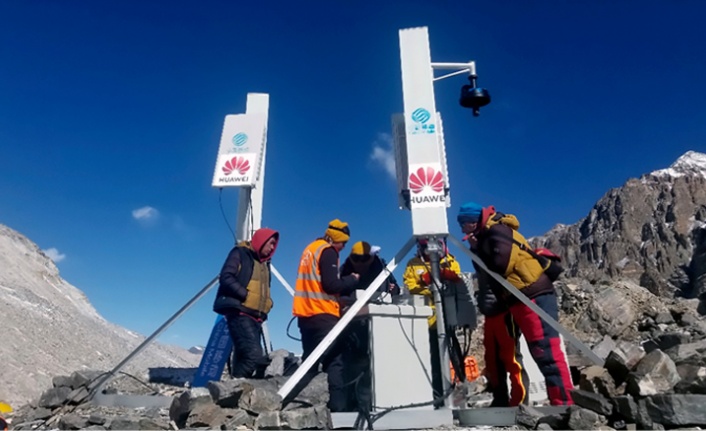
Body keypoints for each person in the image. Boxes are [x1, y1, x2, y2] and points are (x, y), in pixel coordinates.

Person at [457, 201, 574, 406]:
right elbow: (486, 269)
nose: (460, 227)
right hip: (519, 298)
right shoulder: (488, 236)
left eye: (462, 222)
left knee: (545, 348)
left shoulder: (498, 231)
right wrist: (476, 248)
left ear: (473, 221)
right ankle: (560, 402)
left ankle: (565, 403)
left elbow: (501, 264)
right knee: (538, 350)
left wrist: (479, 249)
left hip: (532, 295)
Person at [291, 219, 360, 412]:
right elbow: (331, 285)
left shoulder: (311, 249)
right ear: (336, 239)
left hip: (306, 315)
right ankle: (338, 413)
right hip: (323, 315)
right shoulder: (328, 251)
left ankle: (300, 409)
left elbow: (316, 285)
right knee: (335, 363)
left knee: (310, 364)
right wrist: (351, 280)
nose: (344, 247)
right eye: (343, 242)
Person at [339, 241, 399, 412]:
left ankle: (378, 402)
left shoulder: (382, 268)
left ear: (371, 260)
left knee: (377, 363)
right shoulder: (345, 269)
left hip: (380, 324)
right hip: (353, 326)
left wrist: (394, 291)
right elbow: (339, 293)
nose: (360, 267)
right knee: (355, 364)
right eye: (356, 263)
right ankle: (356, 404)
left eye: (363, 264)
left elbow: (395, 290)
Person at [402, 239, 462, 407]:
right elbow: (410, 286)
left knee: (453, 358)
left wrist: (441, 280)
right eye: (424, 246)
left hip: (447, 319)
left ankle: (457, 394)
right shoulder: (413, 264)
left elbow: (456, 282)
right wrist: (429, 286)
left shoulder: (450, 262)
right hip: (425, 323)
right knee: (432, 361)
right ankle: (437, 398)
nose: (428, 250)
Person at [213, 227, 279, 378]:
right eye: (270, 243)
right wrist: (245, 295)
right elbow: (226, 277)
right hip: (240, 312)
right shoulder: (240, 253)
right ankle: (234, 387)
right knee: (254, 356)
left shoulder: (264, 264)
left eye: (274, 245)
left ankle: (236, 393)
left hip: (256, 316)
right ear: (261, 241)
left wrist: (268, 303)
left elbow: (265, 288)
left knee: (244, 356)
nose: (272, 248)